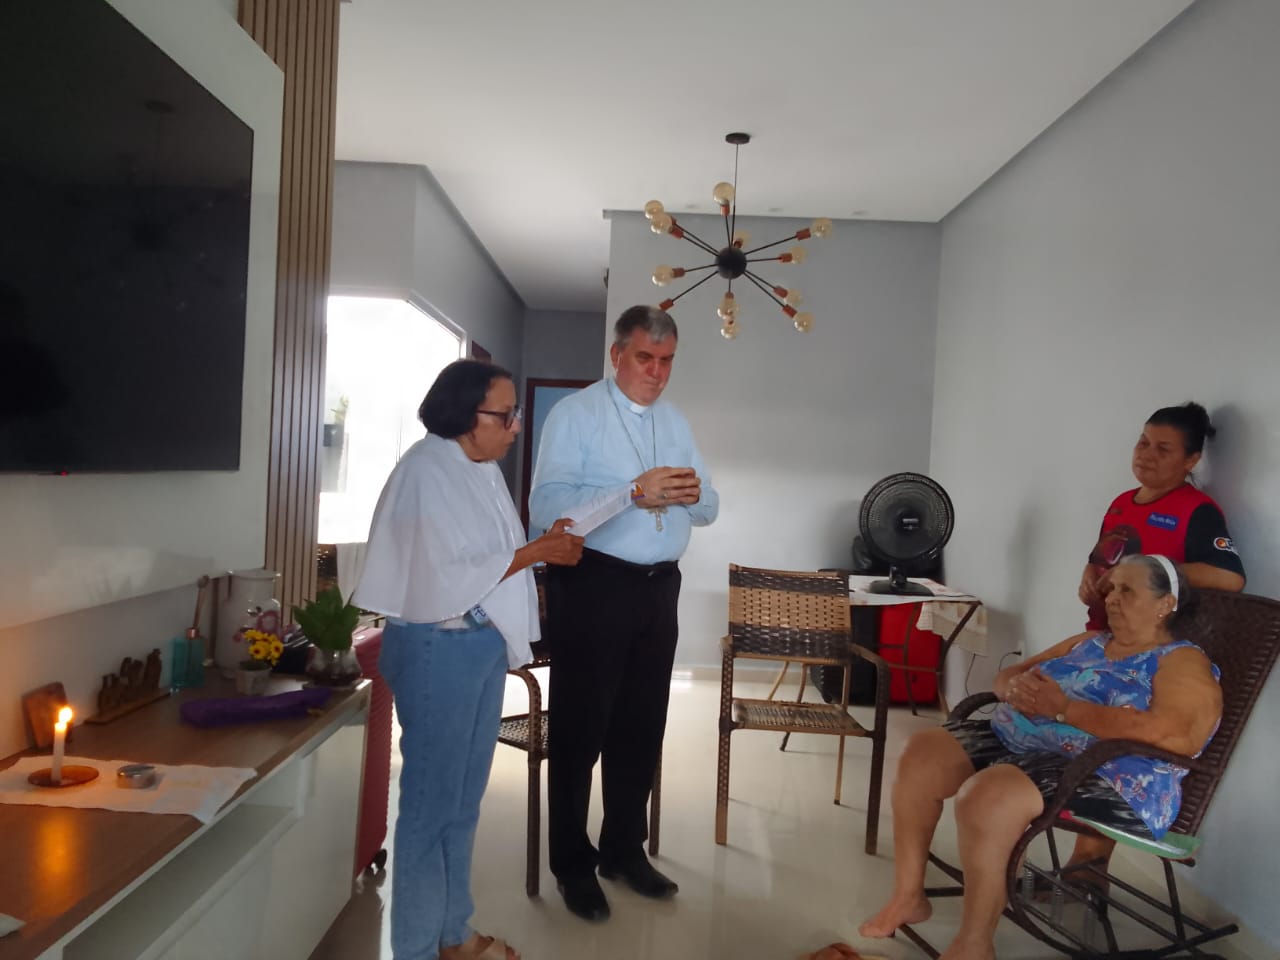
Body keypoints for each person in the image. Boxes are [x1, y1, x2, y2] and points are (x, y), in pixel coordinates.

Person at [859, 555, 1222, 960]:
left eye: (1126, 590)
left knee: (988, 797)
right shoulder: (1089, 642)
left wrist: (1065, 709)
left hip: (1113, 776)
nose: (1111, 598)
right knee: (921, 755)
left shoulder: (1180, 660)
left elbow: (1179, 735)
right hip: (1026, 743)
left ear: (1165, 604)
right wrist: (1014, 690)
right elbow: (1009, 676)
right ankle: (909, 896)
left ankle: (974, 943)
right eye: (1111, 588)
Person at [354, 359, 584, 960]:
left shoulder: (477, 467)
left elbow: (489, 554)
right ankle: (415, 949)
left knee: (461, 804)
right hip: (438, 649)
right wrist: (538, 551)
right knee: (429, 810)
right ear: (464, 414)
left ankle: (453, 933)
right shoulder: (425, 470)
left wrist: (540, 542)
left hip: (475, 645)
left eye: (515, 414)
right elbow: (445, 574)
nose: (515, 427)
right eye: (504, 415)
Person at [529, 304, 719, 922]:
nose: (657, 373)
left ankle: (623, 851)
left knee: (642, 725)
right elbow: (547, 509)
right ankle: (571, 864)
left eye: (667, 361)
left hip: (659, 589)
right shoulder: (575, 414)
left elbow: (709, 506)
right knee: (580, 729)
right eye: (645, 358)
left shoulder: (675, 420)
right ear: (617, 356)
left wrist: (692, 495)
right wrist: (634, 493)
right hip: (594, 583)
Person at [1070, 400, 1244, 885]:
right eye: (1143, 442)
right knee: (1075, 732)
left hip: (1147, 652)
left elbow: (1231, 578)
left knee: (1115, 748)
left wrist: (1155, 571)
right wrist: (1089, 576)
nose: (1147, 454)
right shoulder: (1122, 502)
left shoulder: (1197, 512)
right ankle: (1078, 867)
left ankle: (1086, 873)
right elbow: (1103, 556)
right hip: (1102, 637)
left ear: (1191, 460)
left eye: (1164, 449)